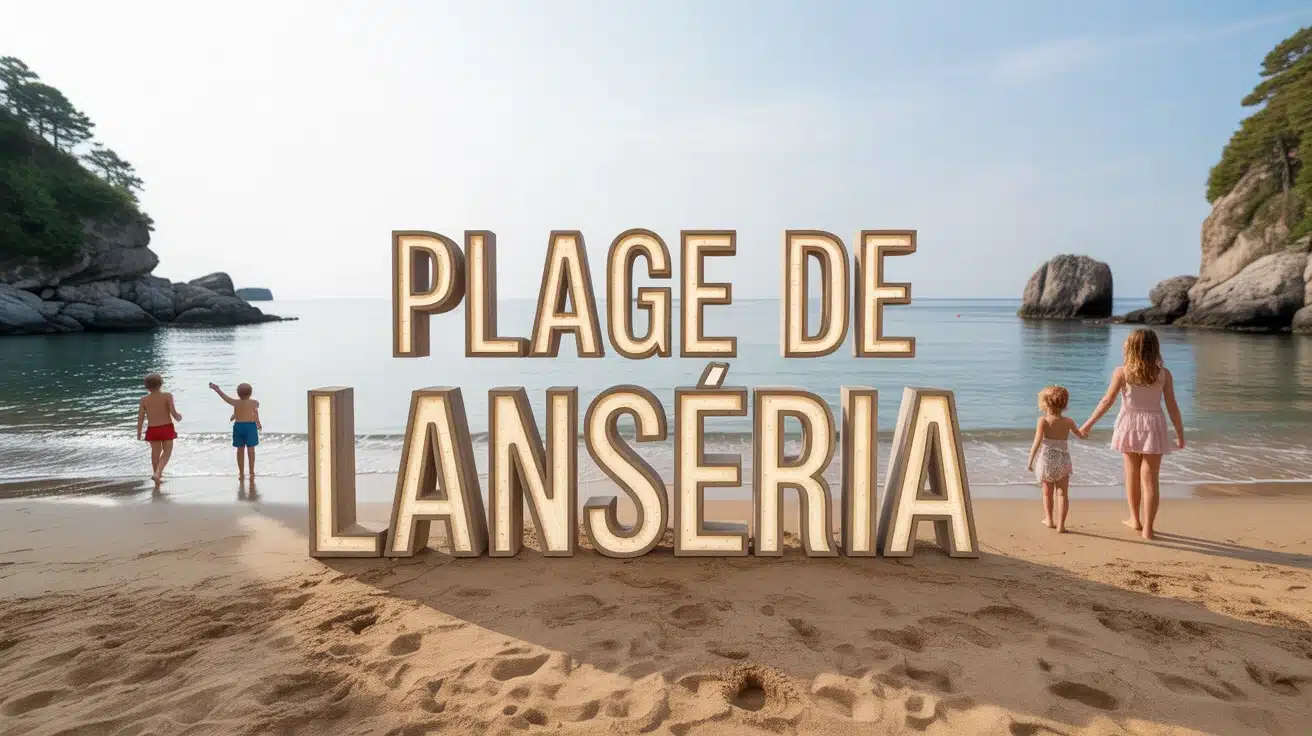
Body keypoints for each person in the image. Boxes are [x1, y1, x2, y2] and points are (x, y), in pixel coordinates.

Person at [1081, 328, 1186, 540]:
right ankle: (1148, 529)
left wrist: (1088, 424)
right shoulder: (1164, 374)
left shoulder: (1122, 372)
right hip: (1154, 425)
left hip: (1129, 423)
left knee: (1131, 474)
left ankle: (1135, 520)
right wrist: (1179, 433)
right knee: (1151, 479)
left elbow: (1106, 401)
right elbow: (1172, 405)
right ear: (1154, 348)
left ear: (1129, 348)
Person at [1026, 385, 1086, 532]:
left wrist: (1030, 460)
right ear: (1064, 404)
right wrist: (1085, 431)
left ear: (1045, 403)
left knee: (1047, 492)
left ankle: (1049, 520)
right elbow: (1080, 435)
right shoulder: (1068, 422)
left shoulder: (1043, 421)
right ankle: (1061, 525)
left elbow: (1037, 442)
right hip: (1063, 461)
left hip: (1047, 461)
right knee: (1062, 493)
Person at [209, 382, 262, 478]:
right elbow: (254, 411)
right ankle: (251, 472)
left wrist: (217, 389)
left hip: (238, 427)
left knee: (240, 450)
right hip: (250, 427)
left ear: (238, 393)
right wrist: (258, 422)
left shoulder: (235, 402)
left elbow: (225, 398)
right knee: (251, 450)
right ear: (250, 393)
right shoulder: (254, 402)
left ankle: (241, 472)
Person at [137, 373, 182, 483]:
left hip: (153, 430)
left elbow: (141, 417)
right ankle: (158, 473)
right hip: (166, 428)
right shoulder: (167, 396)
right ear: (161, 384)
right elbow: (173, 413)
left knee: (155, 453)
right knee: (167, 452)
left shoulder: (143, 399)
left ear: (146, 386)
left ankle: (156, 475)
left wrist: (139, 432)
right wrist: (179, 417)